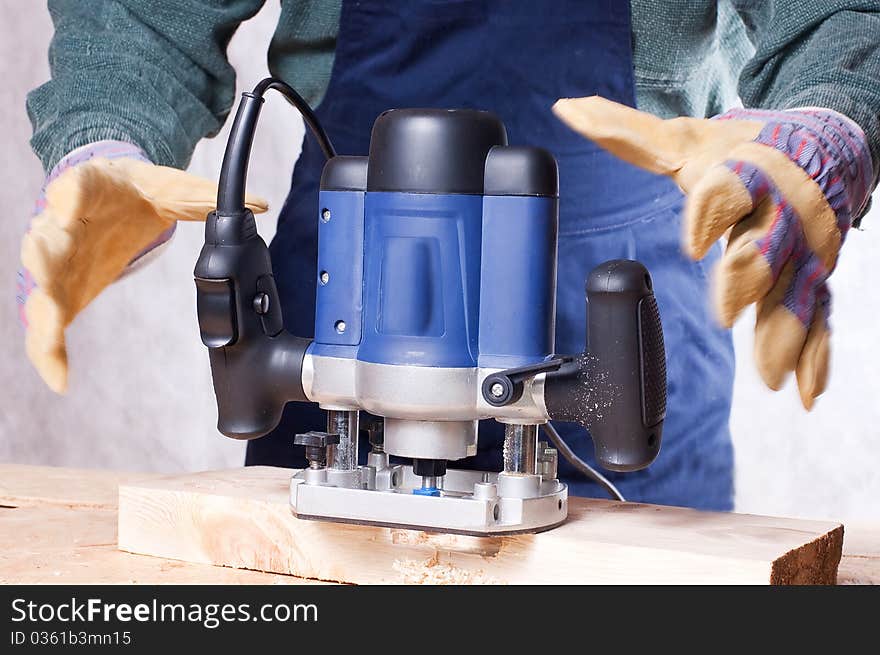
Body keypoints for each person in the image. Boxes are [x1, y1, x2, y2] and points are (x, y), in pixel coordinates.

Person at [21, 1, 879, 511]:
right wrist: (105, 135)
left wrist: (831, 120)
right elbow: (137, 9)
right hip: (348, 264)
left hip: (626, 274)